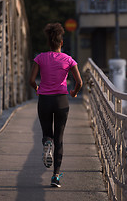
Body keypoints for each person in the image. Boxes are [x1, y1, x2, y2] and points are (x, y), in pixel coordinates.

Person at [29, 22, 82, 188]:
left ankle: (47, 143)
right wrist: (73, 92)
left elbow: (31, 80)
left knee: (47, 133)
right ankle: (56, 177)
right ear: (61, 43)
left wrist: (38, 88)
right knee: (60, 138)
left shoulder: (40, 58)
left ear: (48, 43)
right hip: (61, 101)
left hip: (44, 100)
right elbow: (79, 82)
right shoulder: (68, 59)